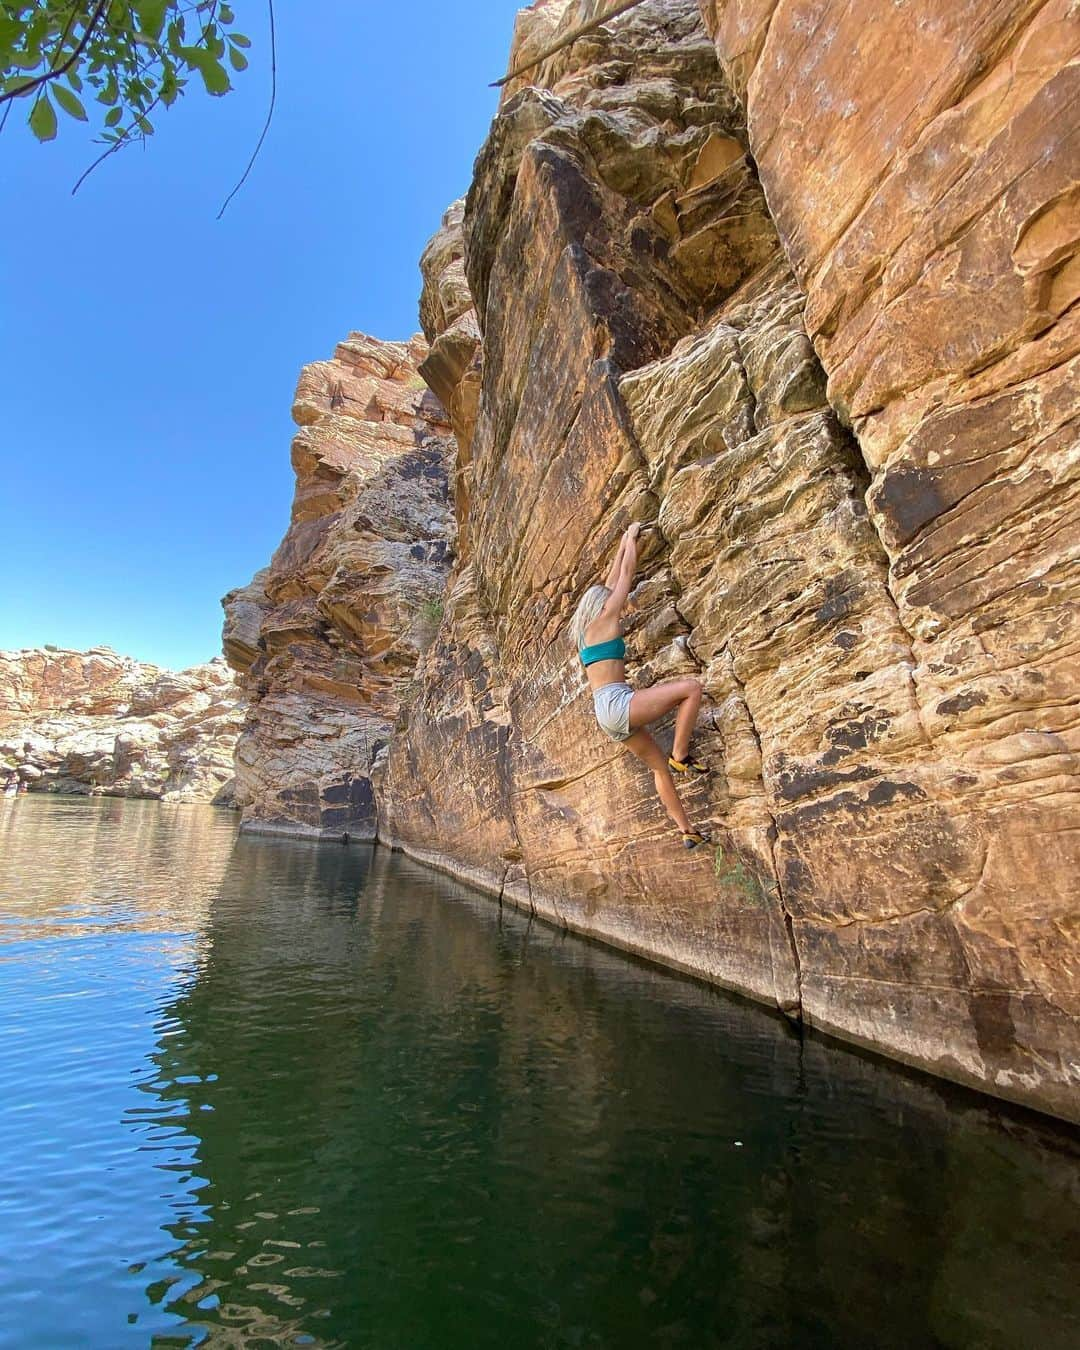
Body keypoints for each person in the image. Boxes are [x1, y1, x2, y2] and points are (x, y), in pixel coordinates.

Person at [571, 521, 710, 849]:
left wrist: (620, 544)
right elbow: (626, 577)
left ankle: (687, 831)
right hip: (618, 703)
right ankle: (681, 755)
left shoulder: (585, 633)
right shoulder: (605, 618)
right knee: (691, 688)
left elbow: (611, 579)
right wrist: (632, 540)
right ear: (601, 606)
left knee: (658, 770)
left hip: (606, 715)